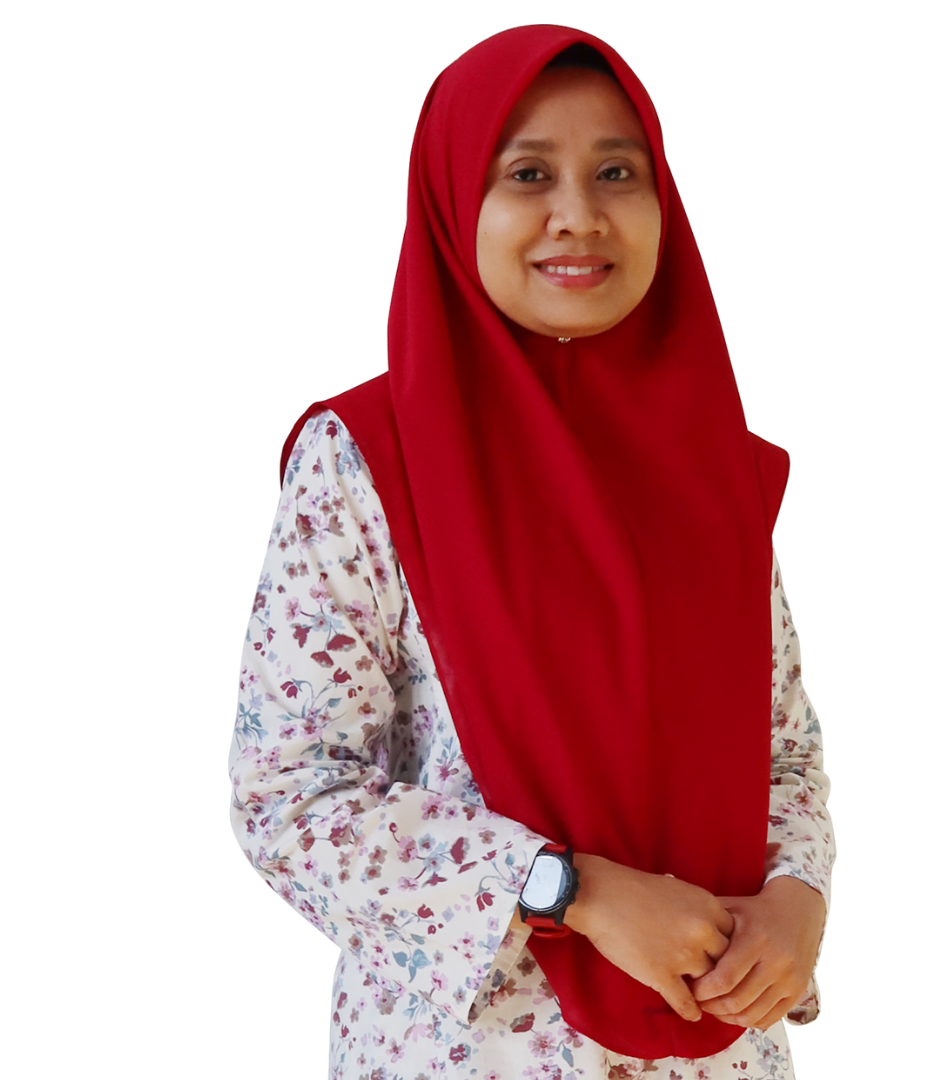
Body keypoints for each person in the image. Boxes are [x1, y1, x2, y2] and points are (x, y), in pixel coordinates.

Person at [229, 24, 834, 1080]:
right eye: (527, 174)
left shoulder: (712, 471)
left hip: (720, 1051)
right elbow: (289, 798)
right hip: (472, 1054)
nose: (579, 214)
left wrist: (798, 896)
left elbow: (778, 751)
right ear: (453, 200)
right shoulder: (369, 459)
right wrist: (571, 892)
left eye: (617, 173)